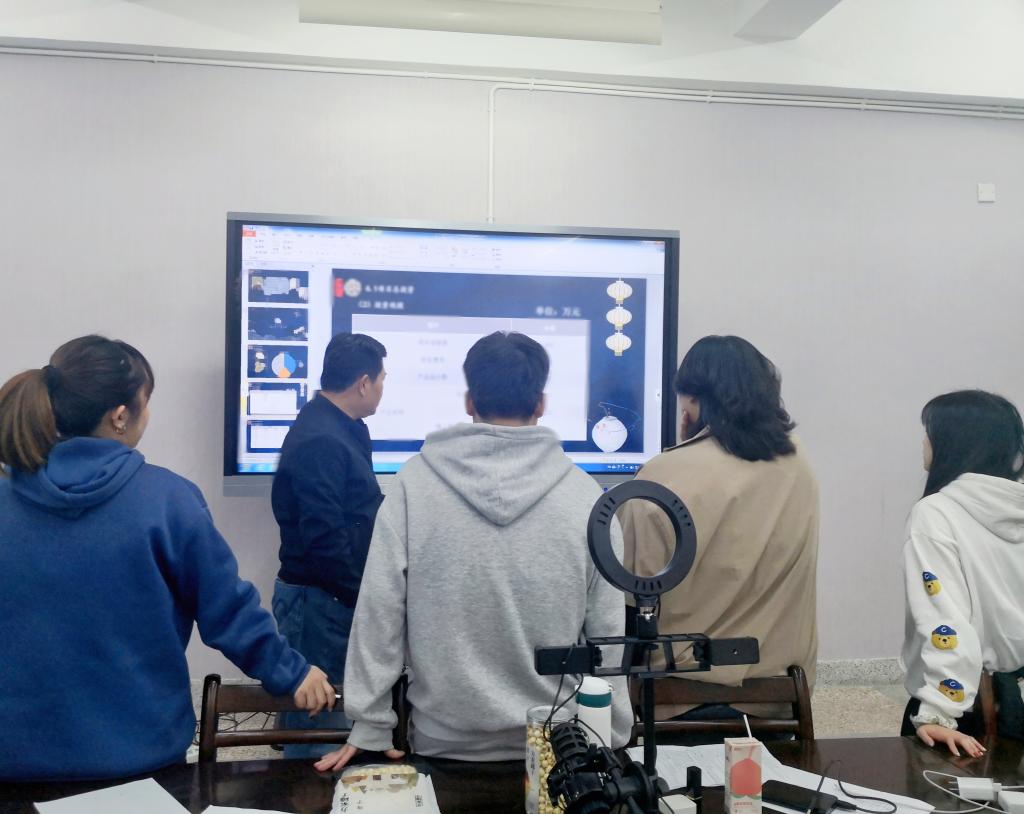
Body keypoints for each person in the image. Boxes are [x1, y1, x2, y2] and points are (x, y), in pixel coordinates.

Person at [0, 335, 333, 781]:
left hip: (15, 761)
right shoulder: (167, 500)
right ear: (120, 415)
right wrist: (292, 673)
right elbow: (227, 612)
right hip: (139, 761)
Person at [314, 331, 632, 771]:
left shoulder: (412, 486)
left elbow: (380, 611)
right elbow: (608, 635)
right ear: (540, 403)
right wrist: (610, 733)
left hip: (440, 745)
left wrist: (370, 724)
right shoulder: (587, 499)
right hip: (559, 752)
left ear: (469, 401)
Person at [620, 335, 819, 737]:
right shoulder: (798, 464)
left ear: (694, 401)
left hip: (676, 701)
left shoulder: (661, 477)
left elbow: (632, 599)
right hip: (777, 700)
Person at [270, 332, 387, 757]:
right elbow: (323, 539)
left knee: (326, 712)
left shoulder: (345, 427)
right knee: (317, 723)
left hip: (332, 595)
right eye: (382, 380)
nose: (382, 389)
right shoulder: (322, 438)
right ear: (363, 383)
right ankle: (307, 788)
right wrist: (362, 595)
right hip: (319, 601)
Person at [901, 390, 1024, 758]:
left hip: (964, 710)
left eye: (929, 433)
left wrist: (938, 712)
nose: (924, 443)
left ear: (954, 443)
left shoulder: (936, 514)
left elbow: (946, 619)